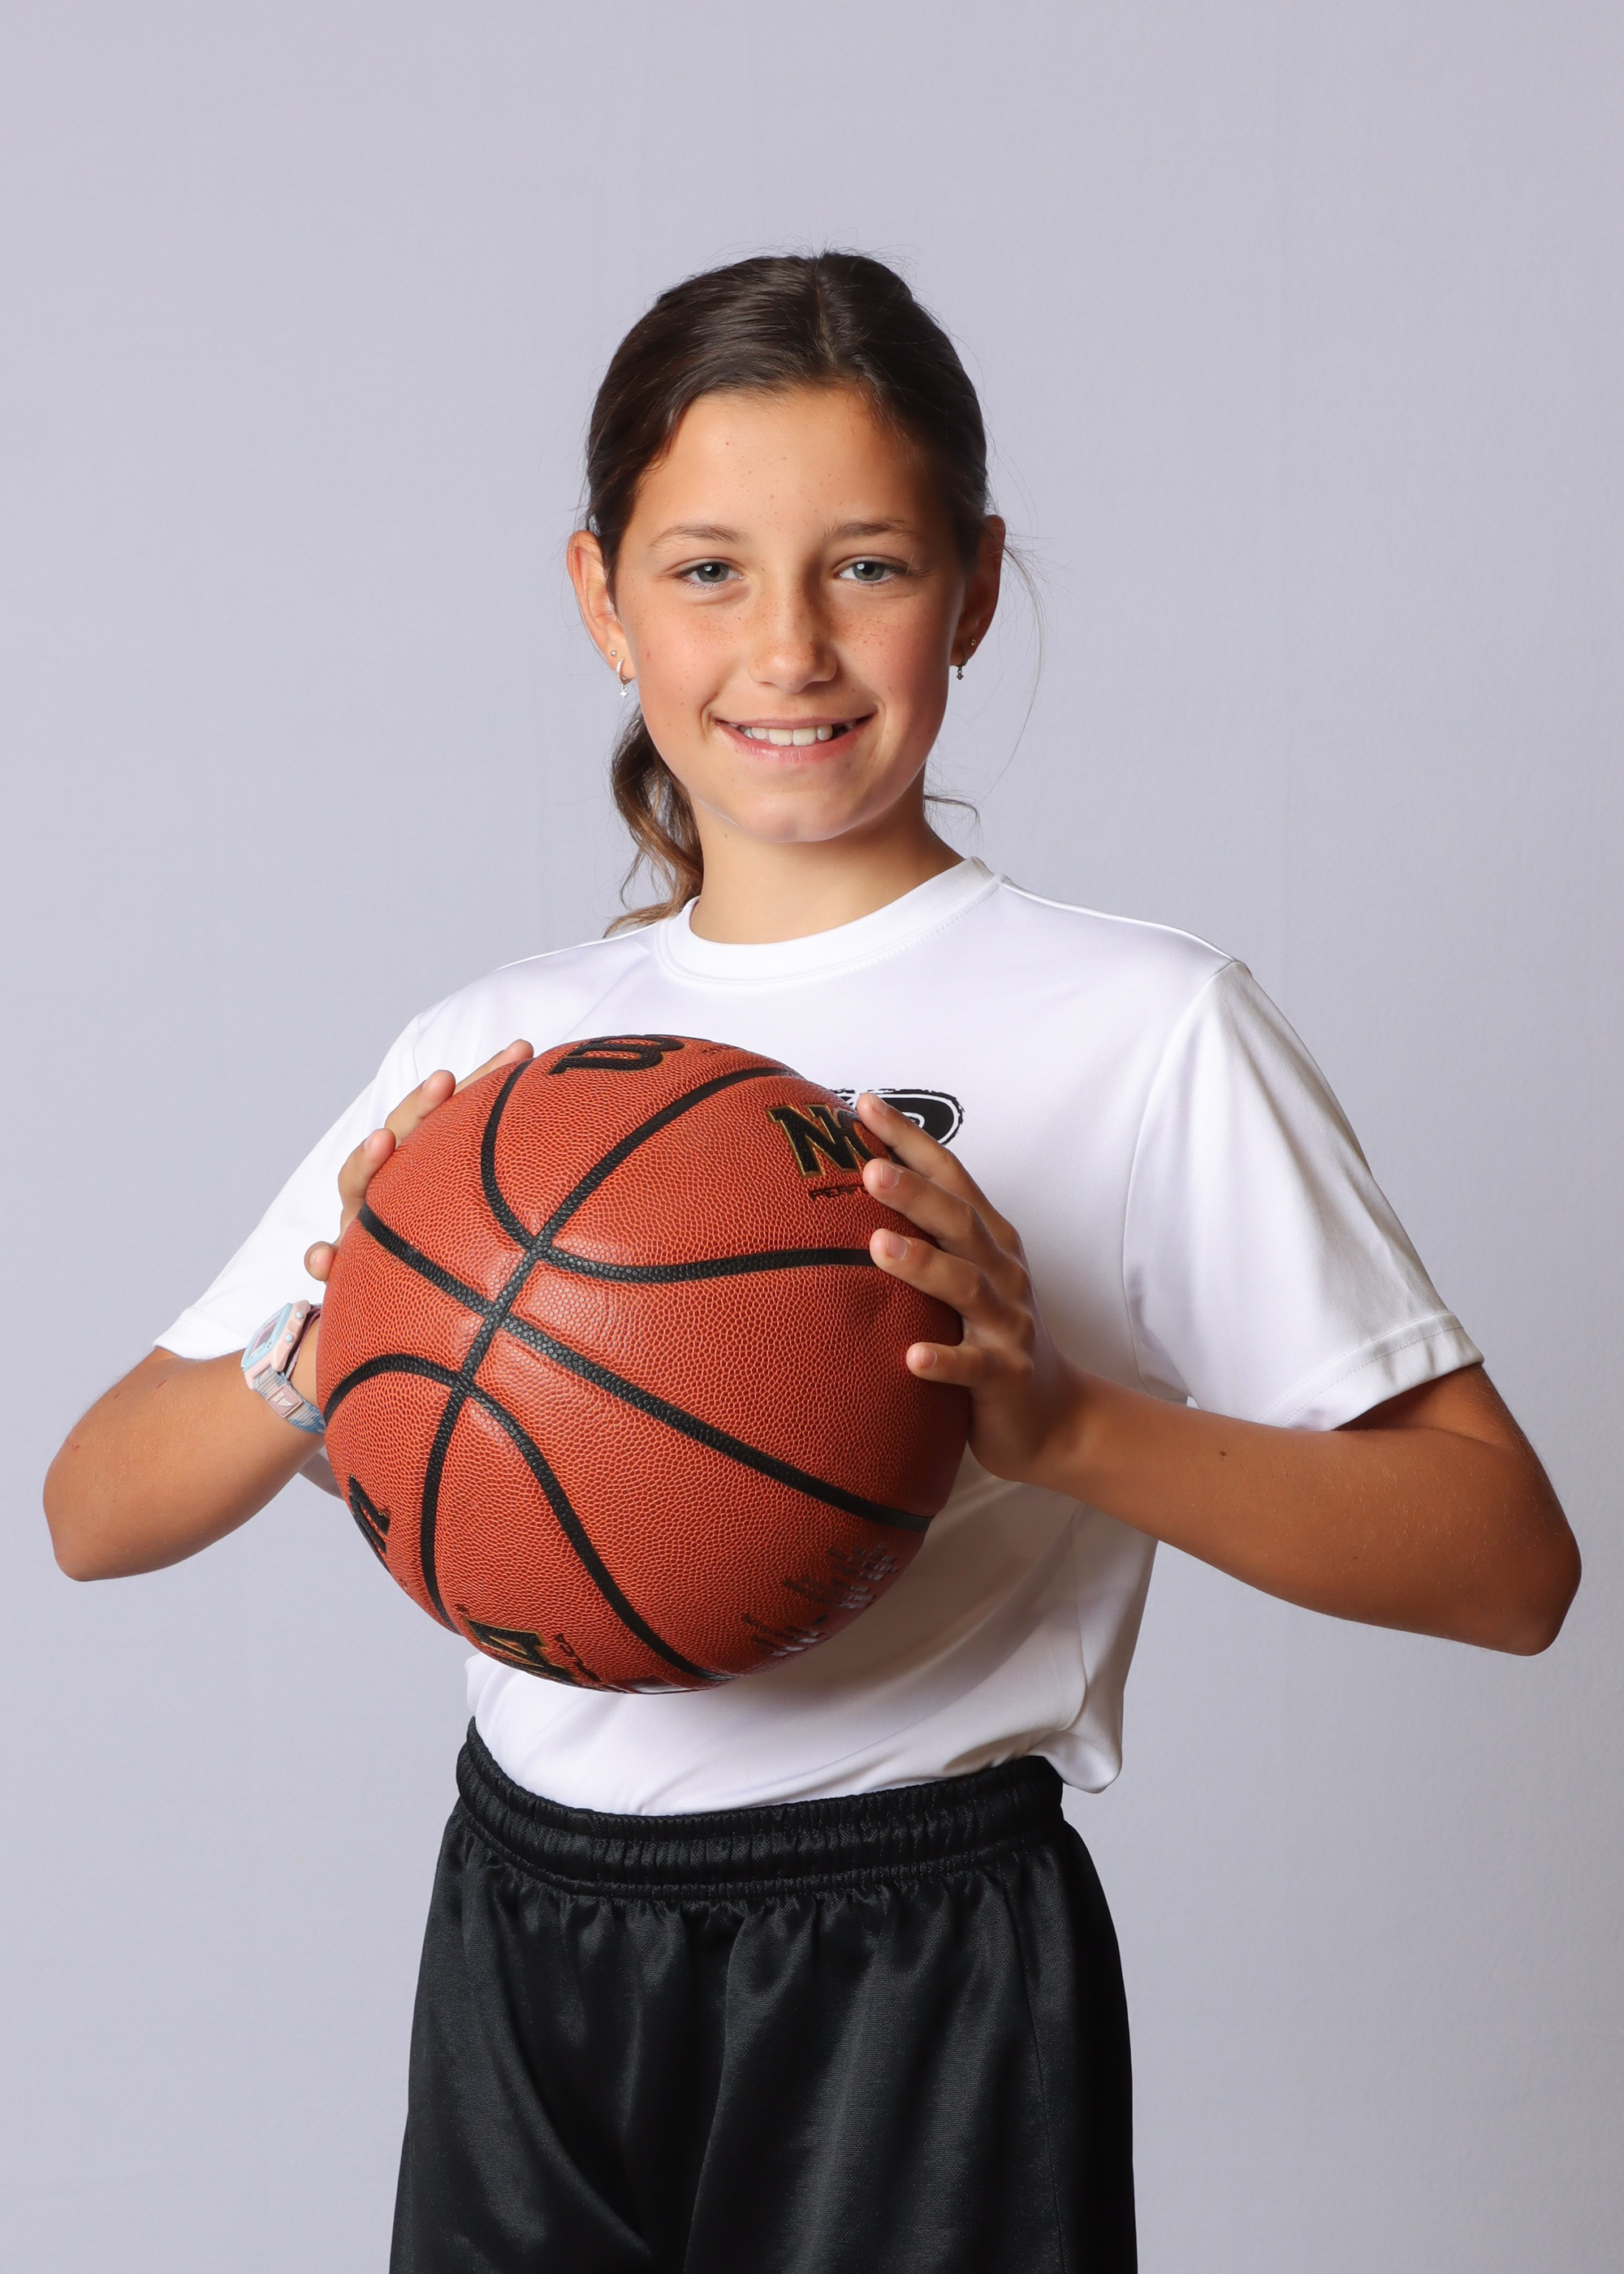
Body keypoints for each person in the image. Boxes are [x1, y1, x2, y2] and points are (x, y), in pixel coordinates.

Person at [44, 252, 1579, 2274]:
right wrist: (336, 1342)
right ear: (601, 598)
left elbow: (1505, 1564)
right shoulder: (498, 1068)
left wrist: (1063, 1422)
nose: (787, 644)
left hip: (912, 1944)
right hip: (526, 1923)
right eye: (707, 571)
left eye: (865, 564)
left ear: (975, 585)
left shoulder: (1142, 1025)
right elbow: (90, 1514)